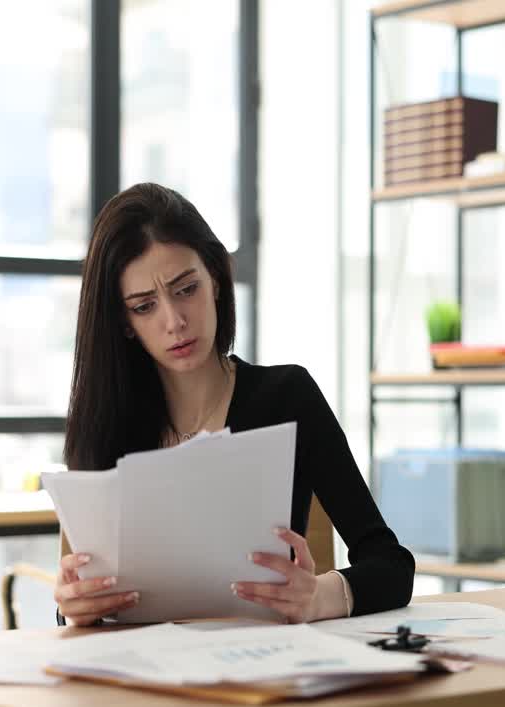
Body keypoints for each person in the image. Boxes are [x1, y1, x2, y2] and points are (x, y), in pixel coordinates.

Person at [54, 182, 414, 626]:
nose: (175, 321)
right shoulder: (105, 424)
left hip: (262, 671)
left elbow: (392, 565)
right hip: (139, 678)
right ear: (124, 322)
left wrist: (320, 596)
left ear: (217, 279)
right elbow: (82, 597)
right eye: (144, 306)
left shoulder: (287, 396)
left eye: (186, 289)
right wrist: (73, 608)